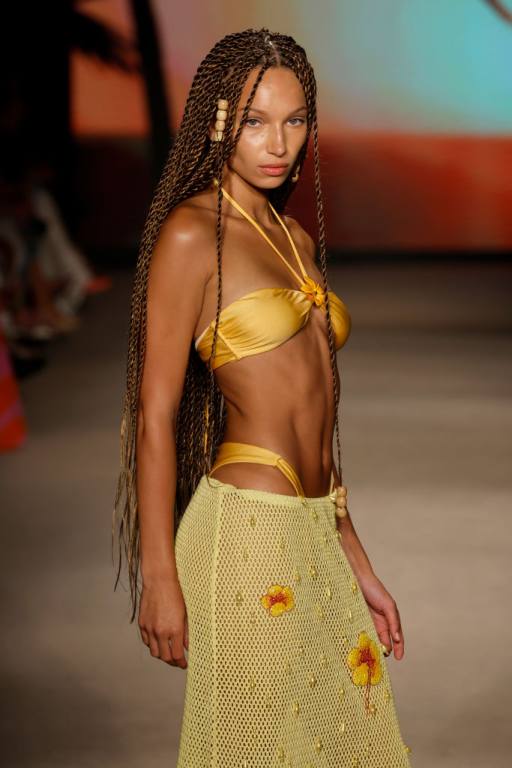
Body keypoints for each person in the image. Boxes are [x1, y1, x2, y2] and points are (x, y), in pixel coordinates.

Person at [113, 28, 413, 767]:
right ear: (218, 122)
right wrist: (158, 576)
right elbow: (153, 415)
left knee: (348, 744)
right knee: (254, 752)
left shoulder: (292, 236)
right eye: (254, 121)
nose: (277, 143)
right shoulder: (191, 235)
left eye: (294, 119)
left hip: (313, 522)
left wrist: (356, 556)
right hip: (246, 531)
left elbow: (318, 419)